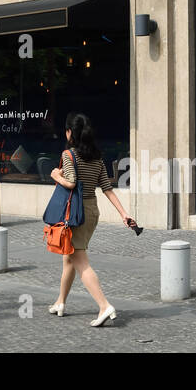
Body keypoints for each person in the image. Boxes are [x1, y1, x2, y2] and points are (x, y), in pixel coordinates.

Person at [48, 111, 133, 327]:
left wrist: (55, 175)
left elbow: (71, 182)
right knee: (69, 257)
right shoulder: (97, 157)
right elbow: (107, 188)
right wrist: (124, 213)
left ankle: (104, 306)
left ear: (69, 133)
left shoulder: (69, 155)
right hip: (91, 211)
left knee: (80, 262)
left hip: (76, 213)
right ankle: (60, 302)